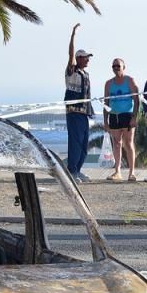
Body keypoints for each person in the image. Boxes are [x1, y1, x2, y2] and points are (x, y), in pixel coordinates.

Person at [65, 23, 94, 183]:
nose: (88, 59)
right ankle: (72, 170)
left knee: (84, 143)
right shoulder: (72, 71)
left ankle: (78, 169)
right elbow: (70, 55)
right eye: (86, 57)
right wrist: (73, 36)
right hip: (74, 112)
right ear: (79, 58)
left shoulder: (86, 73)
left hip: (84, 113)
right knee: (75, 142)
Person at [103, 58, 139, 182]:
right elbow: (106, 102)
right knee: (117, 143)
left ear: (124, 67)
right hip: (114, 115)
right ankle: (117, 171)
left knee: (128, 143)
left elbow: (136, 100)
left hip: (127, 115)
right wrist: (105, 120)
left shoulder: (130, 81)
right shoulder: (108, 83)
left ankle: (132, 172)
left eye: (118, 66)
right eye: (114, 66)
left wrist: (134, 117)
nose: (116, 68)